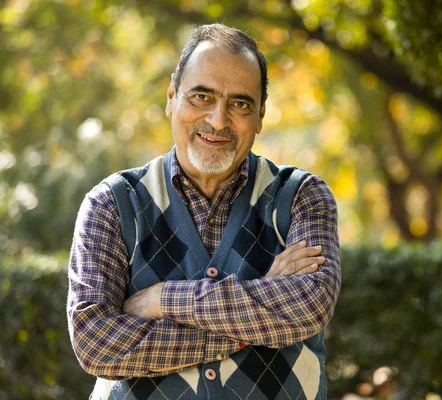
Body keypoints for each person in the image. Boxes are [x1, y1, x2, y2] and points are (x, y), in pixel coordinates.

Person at [66, 23, 340, 399]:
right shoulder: (112, 203)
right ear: (171, 98)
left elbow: (307, 307)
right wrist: (259, 314)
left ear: (260, 115)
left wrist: (163, 300)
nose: (218, 119)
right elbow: (95, 344)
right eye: (201, 97)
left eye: (240, 104)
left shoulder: (301, 197)